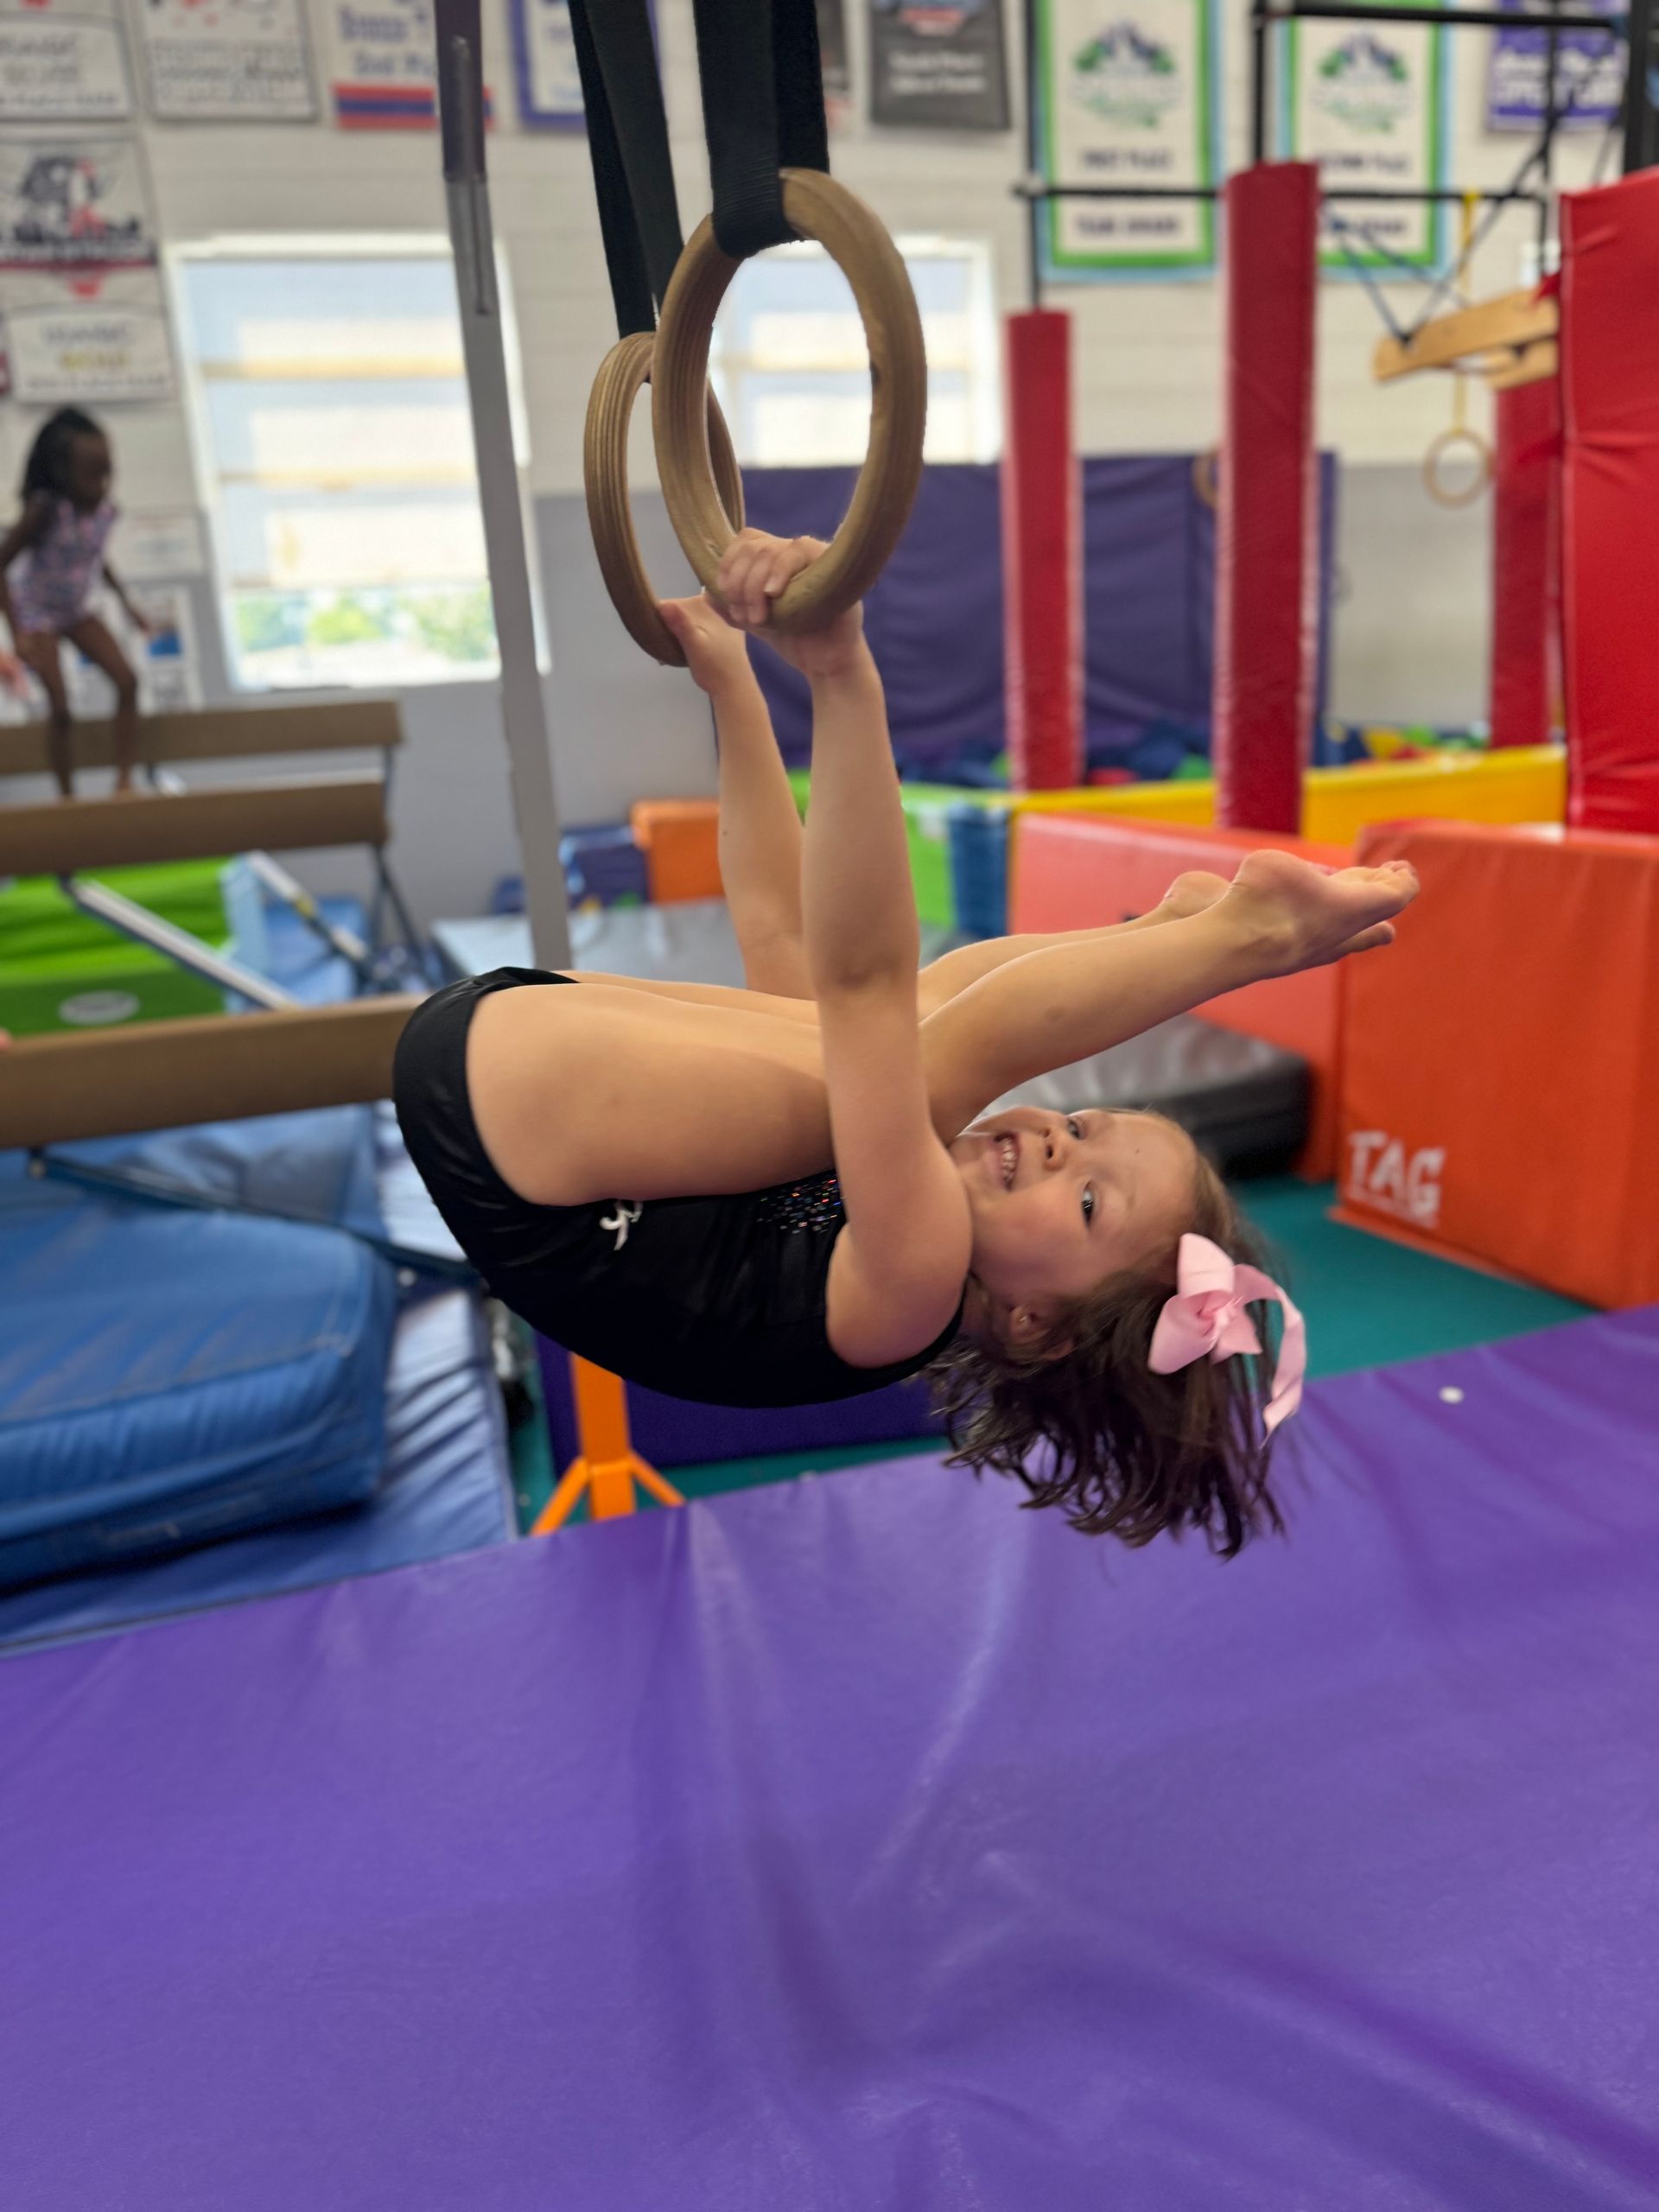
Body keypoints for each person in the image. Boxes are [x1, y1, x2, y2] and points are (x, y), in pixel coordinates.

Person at [394, 531, 1417, 1555]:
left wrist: (840, 672)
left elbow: (863, 982)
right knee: (907, 1021)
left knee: (920, 1043)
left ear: (1037, 1325)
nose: (1061, 1143)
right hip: (505, 1066)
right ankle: (1168, 933)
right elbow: (780, 929)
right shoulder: (873, 1211)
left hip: (515, 1121)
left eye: (1092, 1201)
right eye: (1082, 1123)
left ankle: (1235, 940)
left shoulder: (909, 1291)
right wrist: (735, 689)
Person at [0, 408, 149, 797]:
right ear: (64, 472)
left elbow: (97, 559)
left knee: (128, 681)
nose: (101, 484)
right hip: (36, 609)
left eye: (107, 473)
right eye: (90, 474)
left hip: (76, 609)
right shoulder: (45, 510)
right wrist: (18, 633)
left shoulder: (105, 511)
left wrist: (128, 606)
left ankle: (124, 781)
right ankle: (67, 797)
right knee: (61, 707)